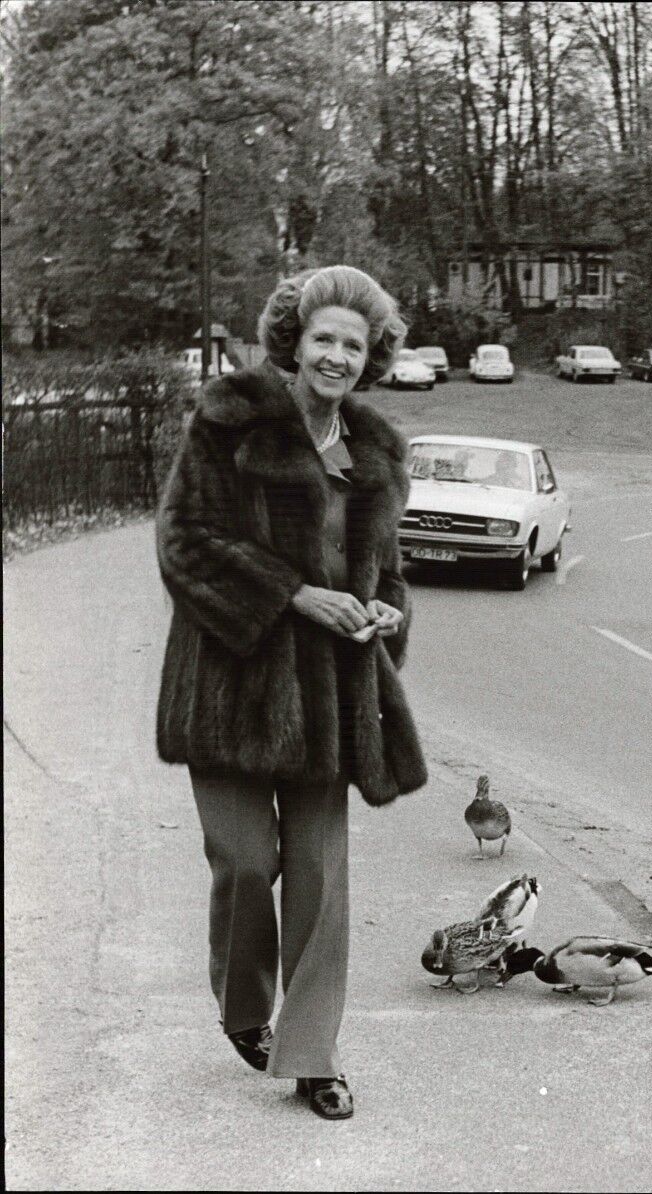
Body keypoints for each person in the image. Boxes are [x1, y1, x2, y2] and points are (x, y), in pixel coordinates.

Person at [155, 265, 427, 1121]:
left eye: (354, 344)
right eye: (324, 340)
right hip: (230, 686)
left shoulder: (379, 451)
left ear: (371, 356)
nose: (337, 357)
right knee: (246, 862)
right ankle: (244, 1010)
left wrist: (387, 612)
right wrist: (292, 594)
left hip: (331, 698)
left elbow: (389, 569)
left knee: (317, 871)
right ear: (294, 343)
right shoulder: (231, 417)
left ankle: (312, 1055)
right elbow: (185, 542)